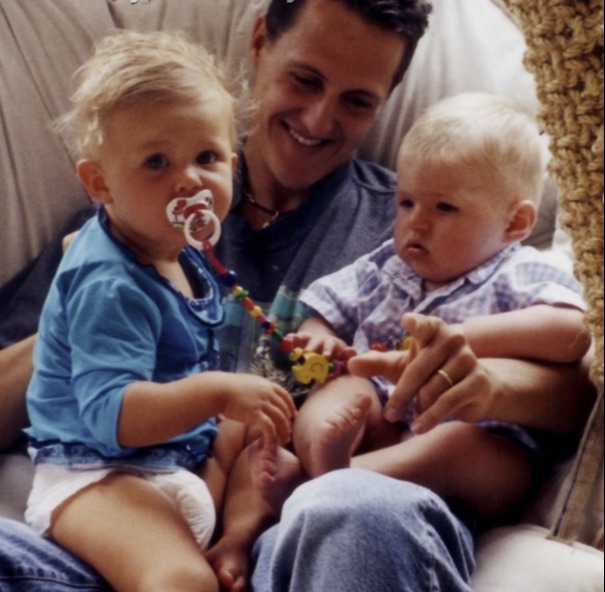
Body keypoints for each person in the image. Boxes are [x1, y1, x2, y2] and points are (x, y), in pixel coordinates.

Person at [0, 1, 595, 591]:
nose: (317, 119)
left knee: (355, 510)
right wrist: (98, 315)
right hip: (117, 525)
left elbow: (578, 399)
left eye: (357, 102)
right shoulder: (127, 214)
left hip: (309, 532)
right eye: (304, 80)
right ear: (260, 43)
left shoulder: (416, 227)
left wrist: (488, 385)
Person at [22, 30, 296, 592]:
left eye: (206, 157)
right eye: (156, 162)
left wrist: (231, 404)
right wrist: (217, 392)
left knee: (253, 425)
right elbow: (111, 415)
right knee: (178, 579)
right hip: (95, 473)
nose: (189, 180)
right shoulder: (109, 281)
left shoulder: (183, 251)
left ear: (233, 164)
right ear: (100, 183)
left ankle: (235, 539)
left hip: (174, 458)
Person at [252, 93, 590, 520]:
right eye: (407, 202)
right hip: (382, 418)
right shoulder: (384, 268)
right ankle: (326, 463)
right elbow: (323, 313)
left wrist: (464, 336)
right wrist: (320, 342)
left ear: (515, 223)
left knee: (456, 446)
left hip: (479, 446)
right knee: (342, 392)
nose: (417, 222)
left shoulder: (521, 271)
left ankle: (317, 484)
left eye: (445, 207)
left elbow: (571, 333)